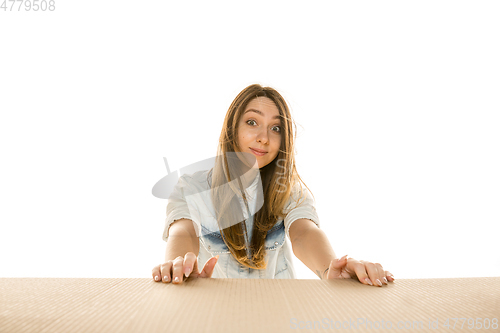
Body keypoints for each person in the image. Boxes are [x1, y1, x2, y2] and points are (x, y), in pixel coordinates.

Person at [152, 84, 395, 286]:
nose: (264, 137)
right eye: (252, 122)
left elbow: (304, 233)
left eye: (275, 128)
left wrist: (330, 268)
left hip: (279, 312)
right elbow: (182, 231)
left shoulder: (290, 190)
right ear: (232, 129)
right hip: (214, 312)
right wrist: (179, 267)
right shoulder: (191, 187)